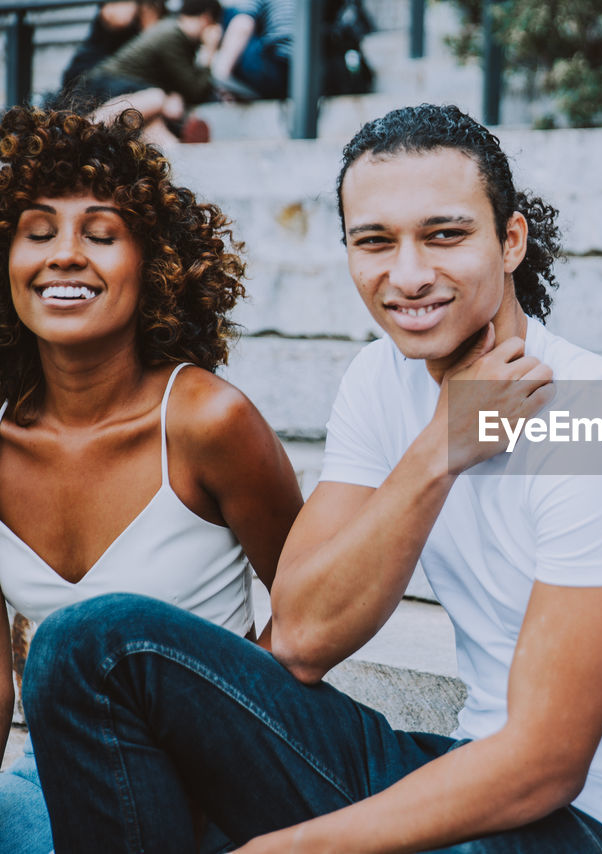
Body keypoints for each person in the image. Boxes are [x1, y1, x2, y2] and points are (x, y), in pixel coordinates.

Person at [24, 102, 602, 853]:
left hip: (588, 822)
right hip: (459, 769)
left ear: (510, 241)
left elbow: (548, 766)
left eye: (445, 235)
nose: (408, 275)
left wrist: (294, 847)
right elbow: (304, 640)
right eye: (375, 242)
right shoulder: (381, 379)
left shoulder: (601, 424)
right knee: (86, 644)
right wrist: (440, 448)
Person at [0, 107, 303, 853]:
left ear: (156, 263)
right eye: (37, 233)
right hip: (58, 766)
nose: (65, 256)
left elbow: (309, 611)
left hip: (217, 766)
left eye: (101, 236)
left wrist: (218, 760)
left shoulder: (209, 422)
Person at [79, 0, 224, 146]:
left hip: (128, 91)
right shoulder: (172, 35)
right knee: (158, 97)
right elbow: (196, 90)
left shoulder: (173, 30)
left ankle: (180, 155)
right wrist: (209, 50)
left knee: (159, 133)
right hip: (105, 85)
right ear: (207, 18)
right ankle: (86, 129)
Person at [59, 0, 168, 95]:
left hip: (128, 79)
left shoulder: (159, 9)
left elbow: (154, 44)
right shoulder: (120, 8)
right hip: (92, 75)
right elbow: (120, 19)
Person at [211, 0, 293, 100]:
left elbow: (243, 24)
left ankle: (225, 79)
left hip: (277, 71)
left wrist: (221, 74)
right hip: (305, 77)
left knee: (231, 13)